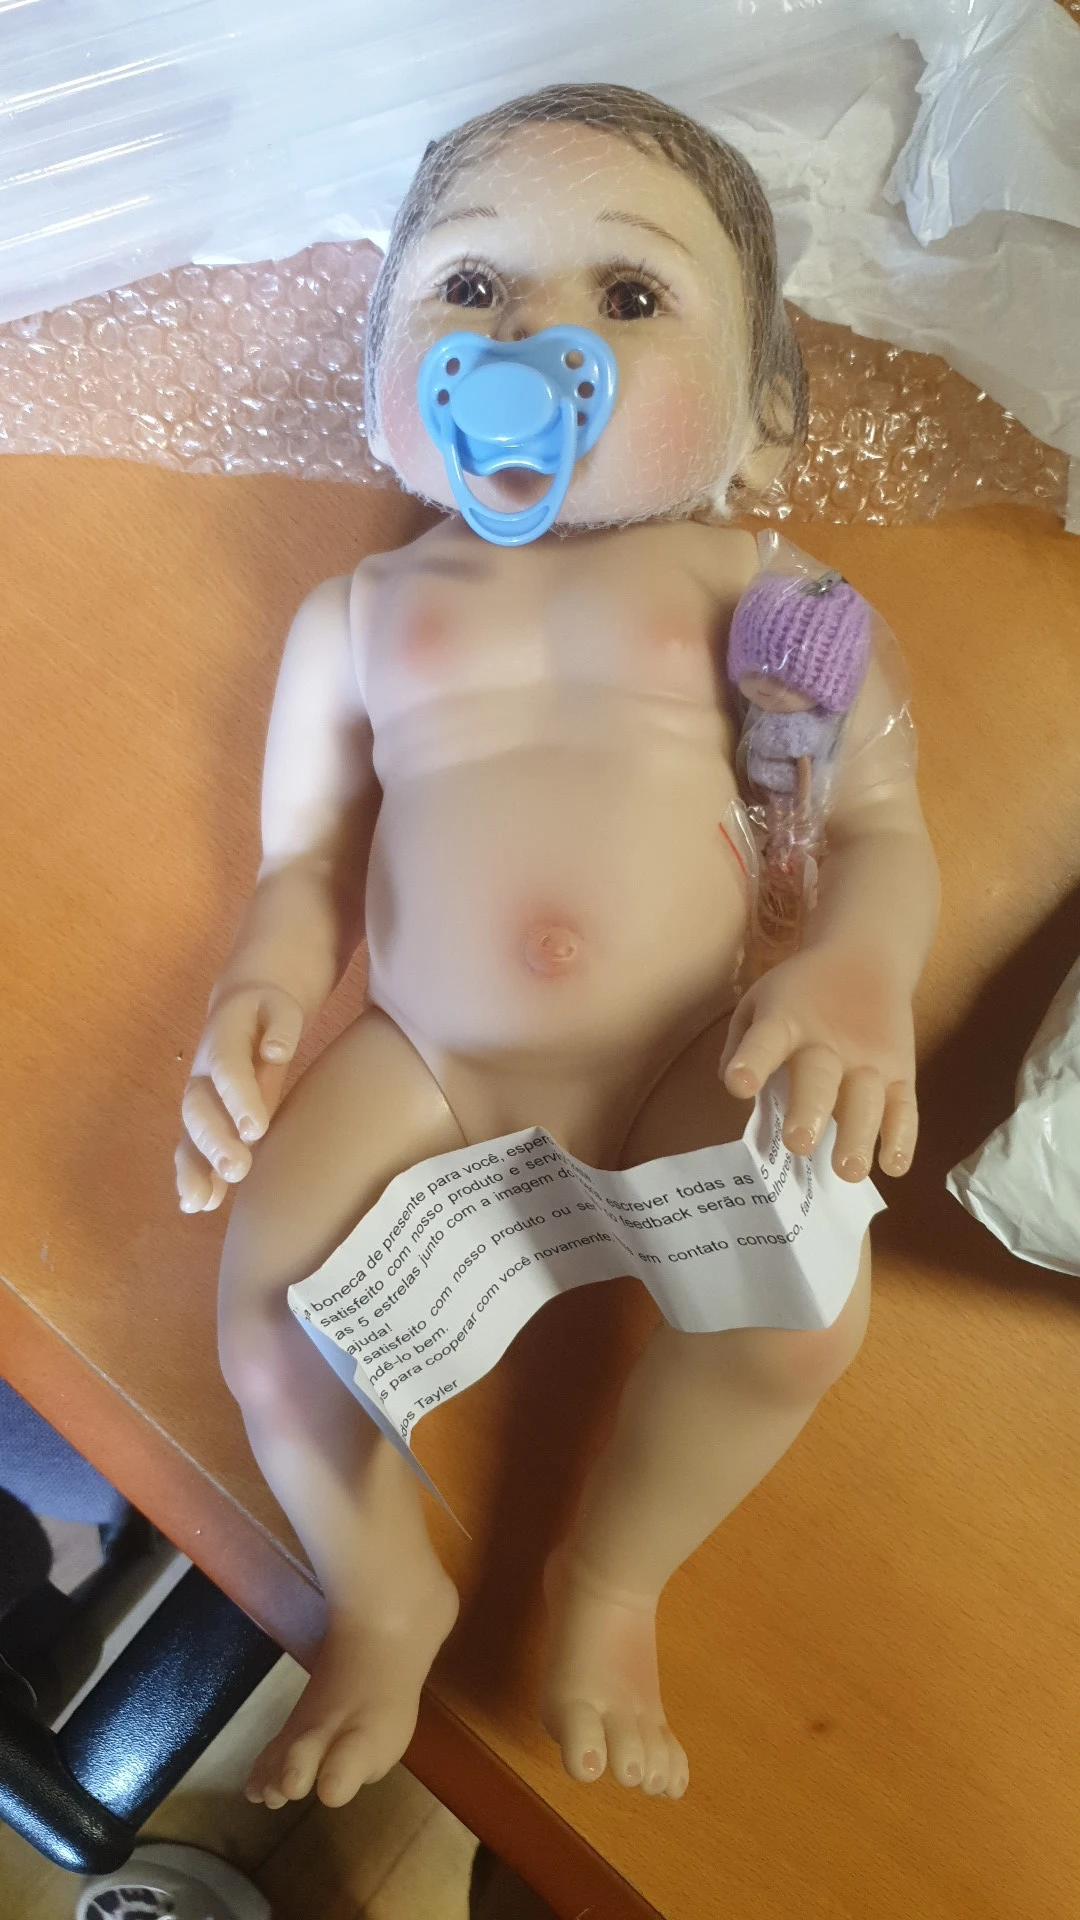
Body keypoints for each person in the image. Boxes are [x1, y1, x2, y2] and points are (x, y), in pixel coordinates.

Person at [175, 84, 938, 1809]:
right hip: (427, 1065)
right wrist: (266, 982)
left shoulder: (774, 594)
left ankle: (613, 1580)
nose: (530, 343)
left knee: (797, 1321)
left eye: (631, 295)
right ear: (384, 376)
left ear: (761, 414)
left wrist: (856, 971)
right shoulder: (361, 615)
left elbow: (882, 831)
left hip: (699, 1047)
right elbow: (302, 855)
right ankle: (384, 1586)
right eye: (469, 288)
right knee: (270, 1315)